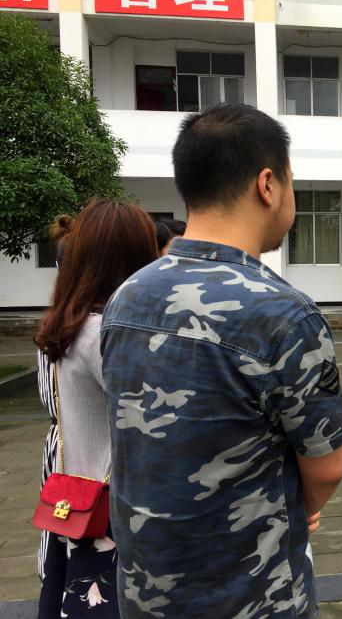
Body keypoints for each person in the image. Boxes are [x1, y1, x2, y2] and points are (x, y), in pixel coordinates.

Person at [100, 104, 342, 618]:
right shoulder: (283, 314)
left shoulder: (126, 297)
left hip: (145, 591)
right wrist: (295, 511)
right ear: (268, 184)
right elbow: (326, 467)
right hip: (251, 595)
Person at [33, 200, 159, 618]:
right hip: (114, 519)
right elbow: (157, 418)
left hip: (84, 507)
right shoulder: (102, 334)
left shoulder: (74, 323)